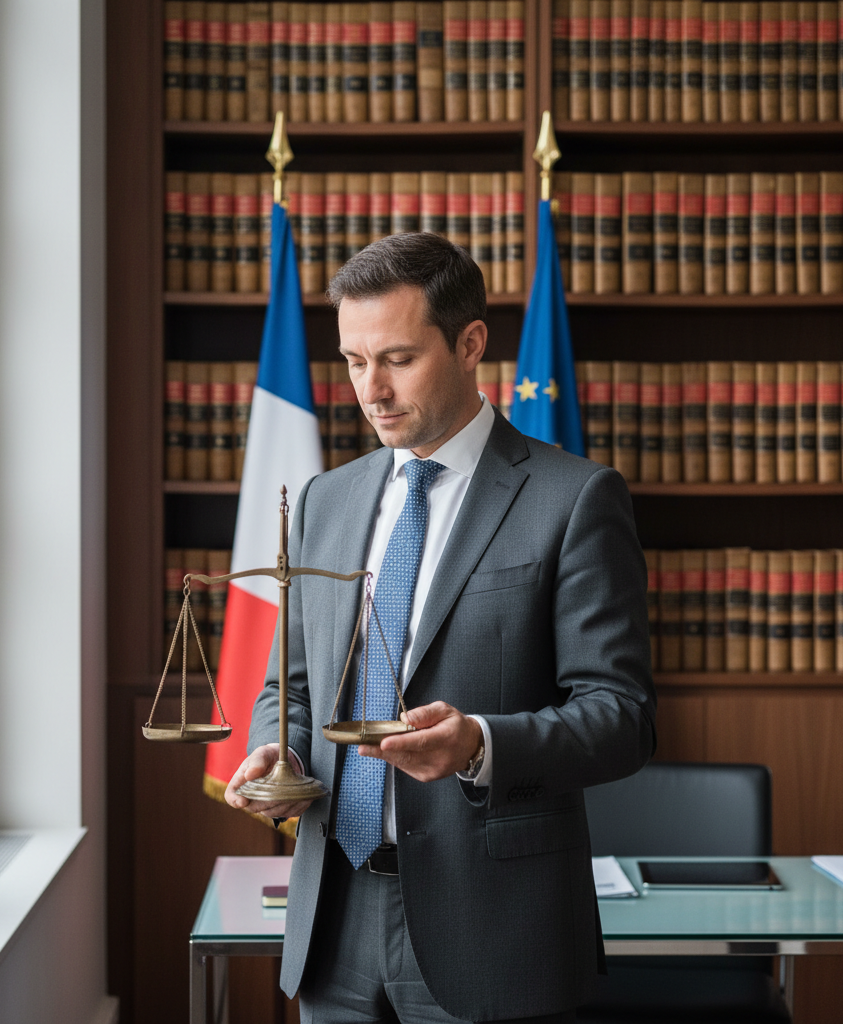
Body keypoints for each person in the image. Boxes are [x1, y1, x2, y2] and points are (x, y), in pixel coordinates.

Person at [225, 232, 656, 1023]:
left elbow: (621, 718)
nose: (371, 390)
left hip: (493, 926)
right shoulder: (325, 501)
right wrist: (279, 746)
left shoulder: (575, 498)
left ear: (469, 344)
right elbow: (291, 683)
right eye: (354, 361)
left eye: (396, 358)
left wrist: (479, 744)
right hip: (333, 918)